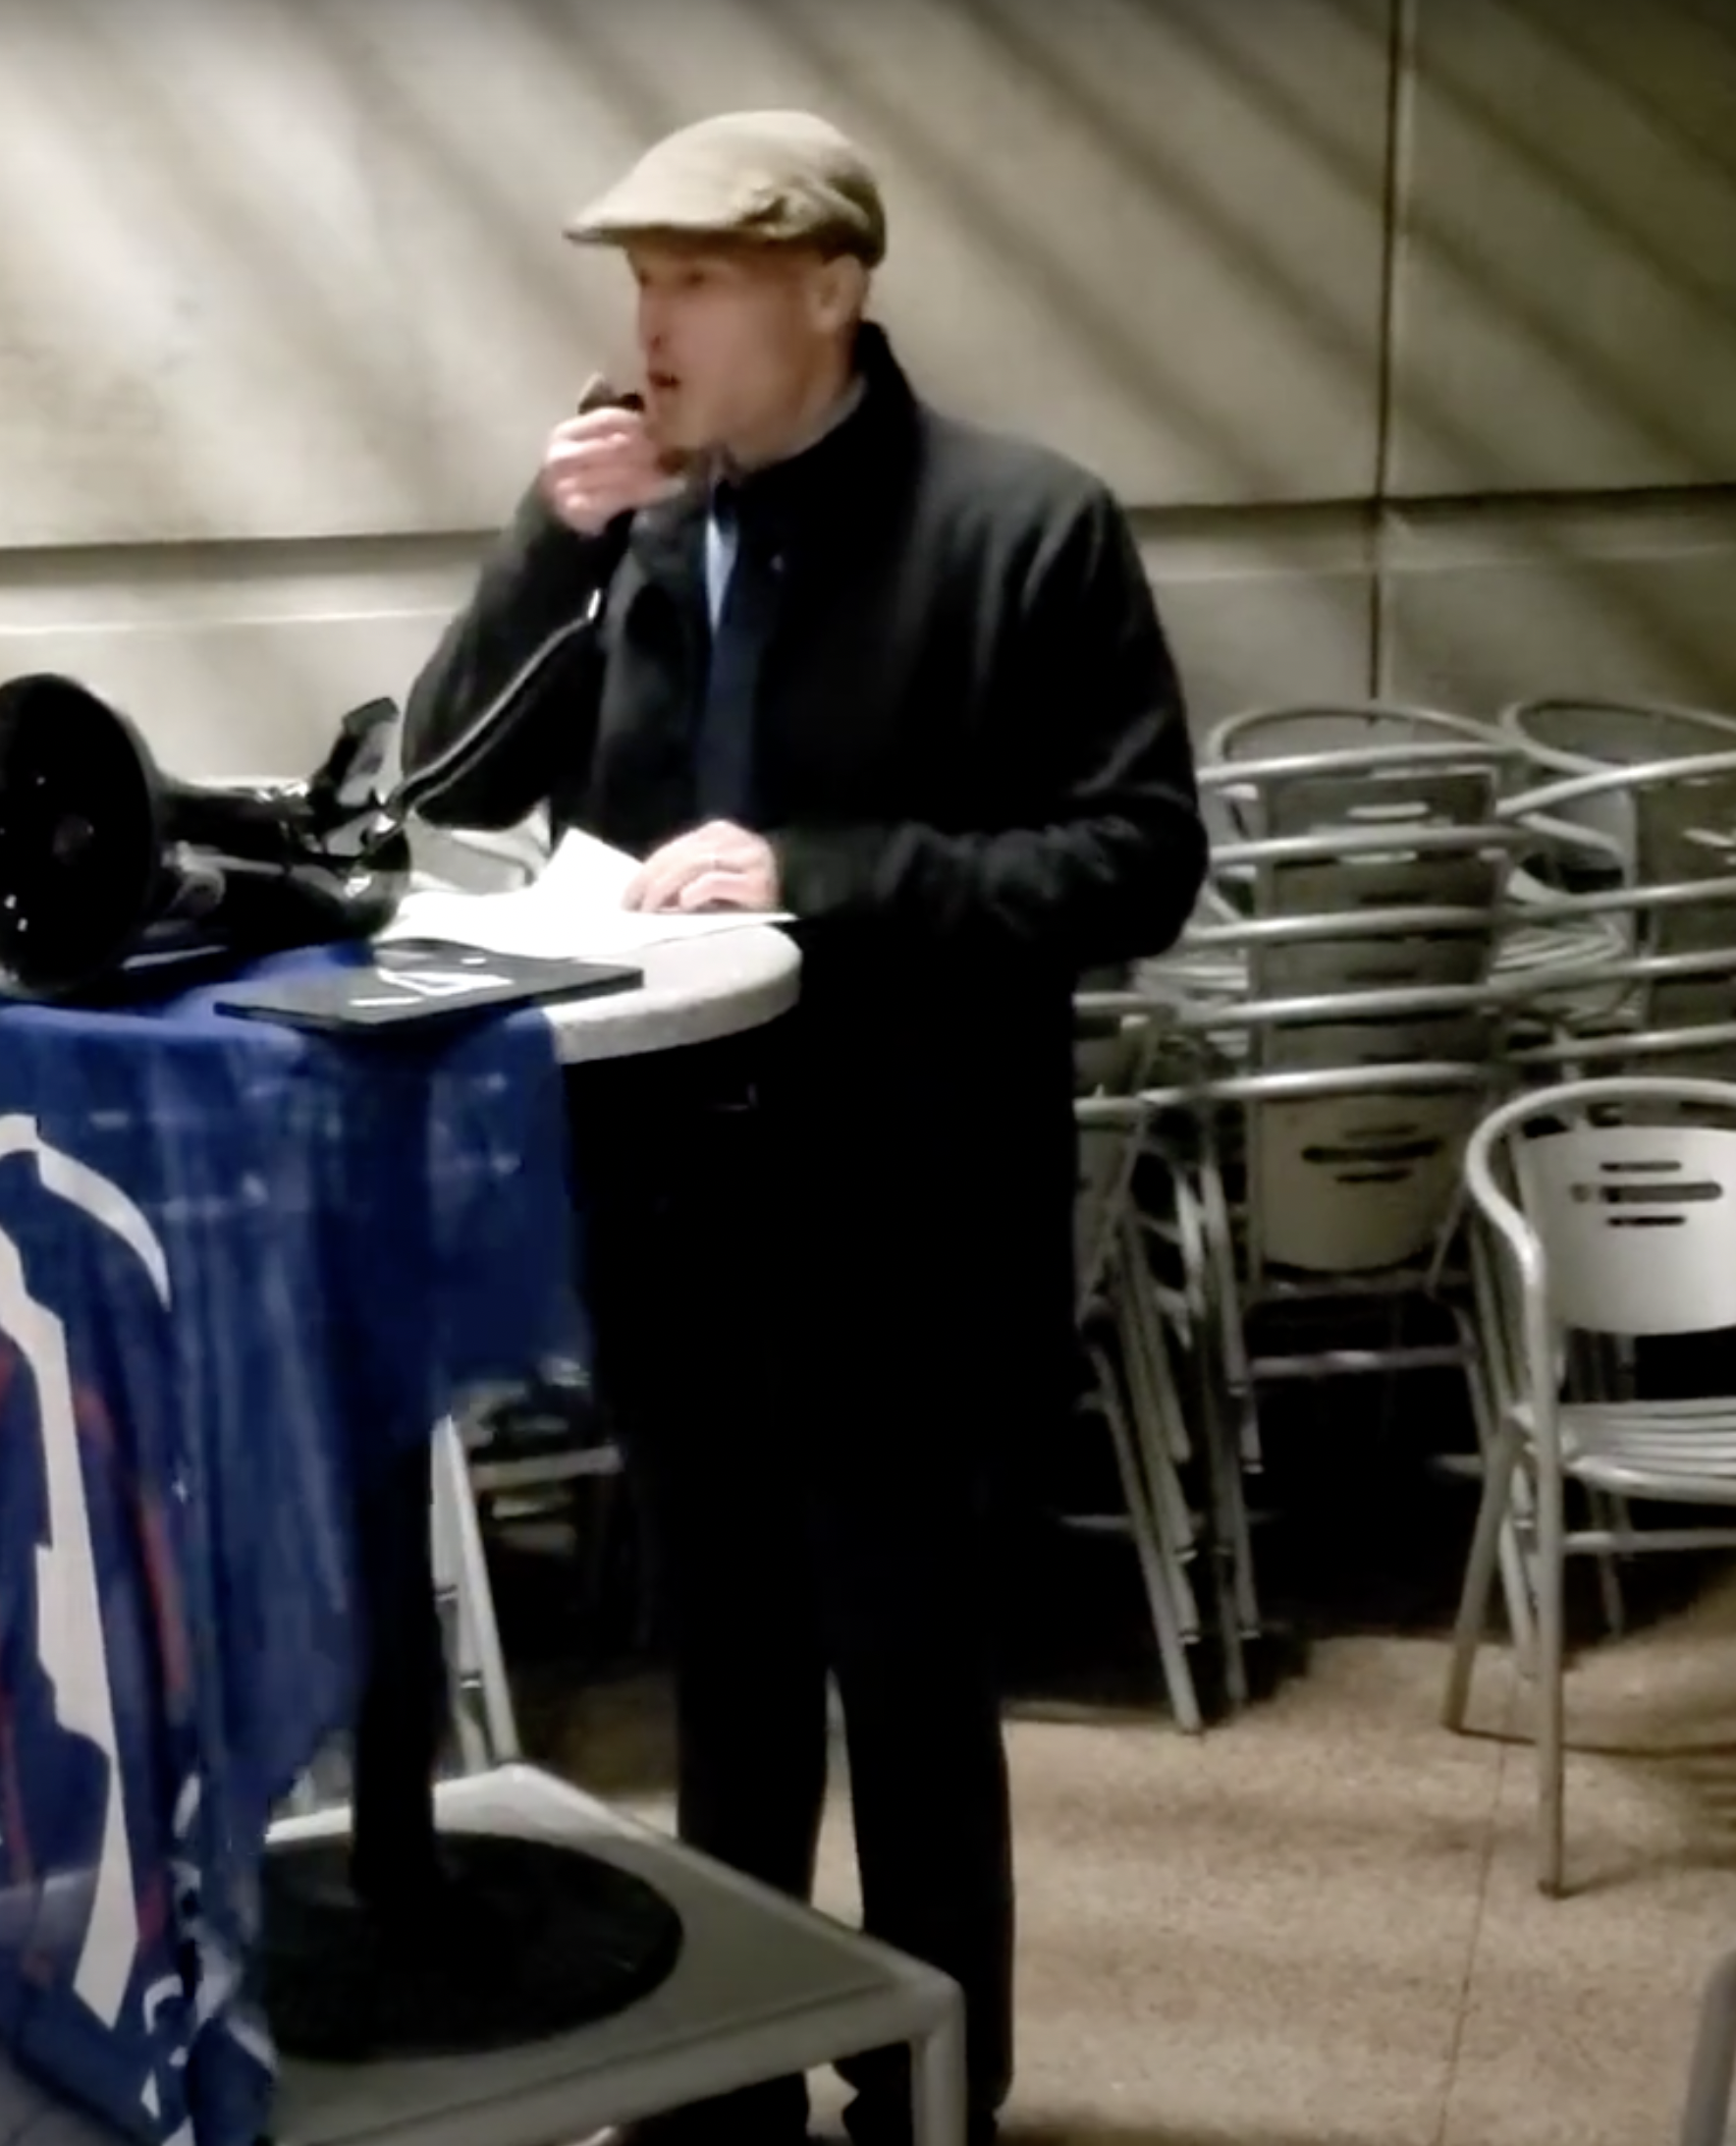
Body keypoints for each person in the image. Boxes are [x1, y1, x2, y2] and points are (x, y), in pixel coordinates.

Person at [399, 108, 1206, 2146]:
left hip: (906, 1208)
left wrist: (820, 873)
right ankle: (720, 2077)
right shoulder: (643, 535)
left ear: (830, 293)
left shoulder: (1024, 524)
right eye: (637, 285)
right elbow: (448, 779)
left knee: (910, 1686)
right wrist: (542, 543)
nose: (647, 327)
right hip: (672, 1200)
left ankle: (934, 2089)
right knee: (726, 1675)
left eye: (694, 284)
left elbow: (1132, 863)